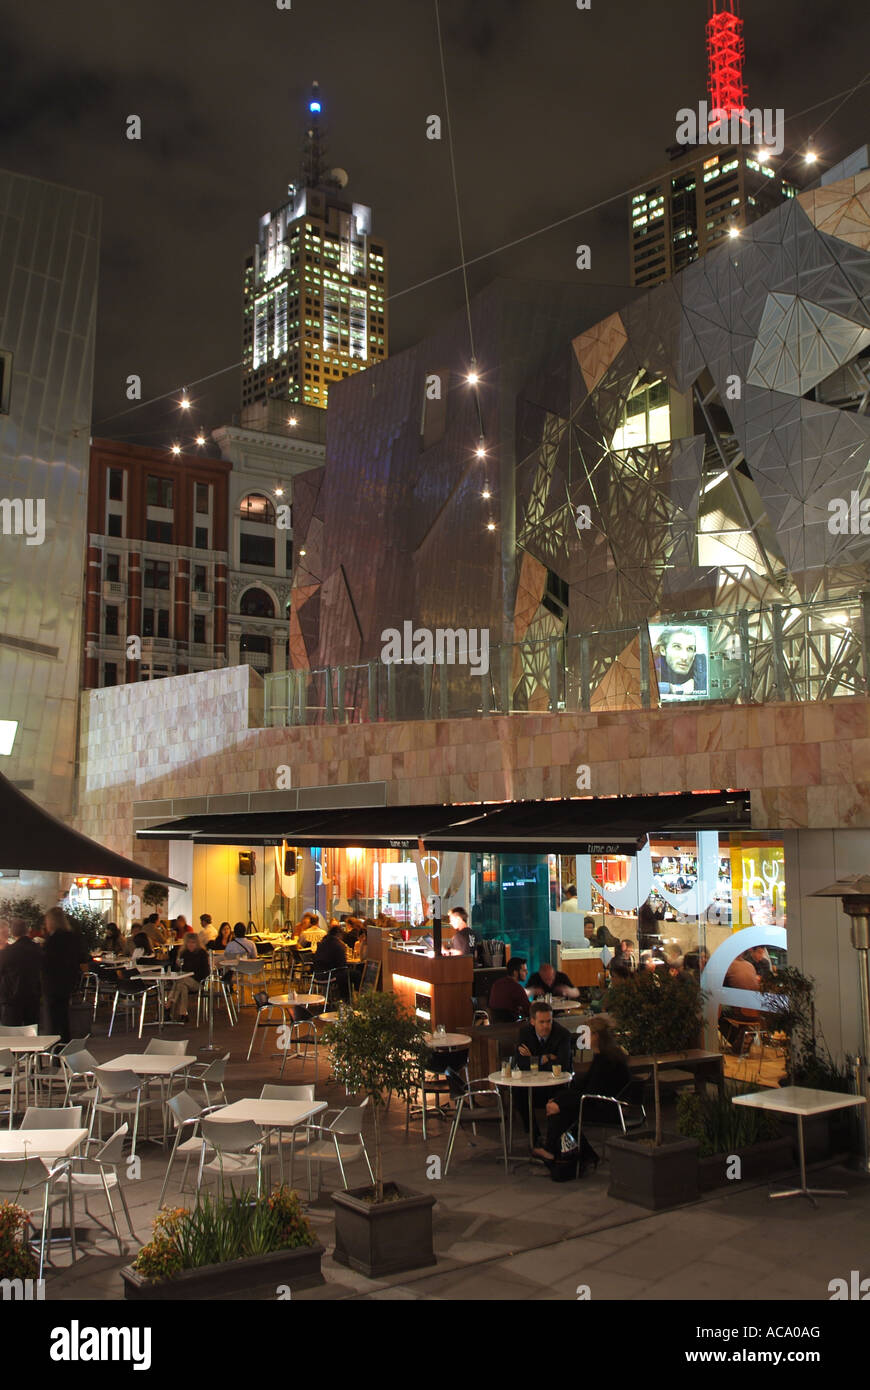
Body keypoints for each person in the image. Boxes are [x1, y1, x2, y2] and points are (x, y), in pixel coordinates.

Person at [533, 1017, 632, 1169]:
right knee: (558, 1106)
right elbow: (585, 1087)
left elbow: (591, 1092)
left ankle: (562, 1152)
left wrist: (560, 1103)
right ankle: (575, 1153)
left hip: (608, 1107)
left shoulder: (606, 1060)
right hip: (605, 1102)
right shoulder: (606, 1055)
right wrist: (559, 1100)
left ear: (596, 1036)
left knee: (561, 1113)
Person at [514, 1002, 575, 1142]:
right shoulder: (524, 1033)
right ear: (532, 1021)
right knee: (518, 1093)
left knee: (560, 1095)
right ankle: (534, 1137)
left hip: (556, 1085)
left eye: (549, 1021)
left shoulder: (562, 1034)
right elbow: (521, 1064)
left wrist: (532, 1060)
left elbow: (562, 1066)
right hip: (533, 1086)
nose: (546, 1026)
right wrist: (546, 1058)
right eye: (541, 1022)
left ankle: (554, 1141)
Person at [41, 906, 90, 1044]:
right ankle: (65, 1046)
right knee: (64, 1018)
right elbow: (82, 957)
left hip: (52, 983)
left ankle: (55, 1049)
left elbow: (46, 962)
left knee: (53, 1020)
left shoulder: (52, 939)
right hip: (68, 982)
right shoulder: (72, 937)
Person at [0, 917, 42, 1025]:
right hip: (33, 995)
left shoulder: (8, 952)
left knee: (11, 1034)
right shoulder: (37, 949)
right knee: (31, 1030)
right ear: (27, 931)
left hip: (11, 998)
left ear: (12, 932)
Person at [167, 933, 210, 1021]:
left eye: (193, 942)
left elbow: (206, 972)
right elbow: (177, 972)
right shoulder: (183, 953)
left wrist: (192, 975)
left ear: (197, 943)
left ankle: (169, 1004)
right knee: (182, 986)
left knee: (181, 980)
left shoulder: (202, 953)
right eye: (189, 942)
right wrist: (178, 965)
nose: (190, 944)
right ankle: (183, 1014)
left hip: (197, 982)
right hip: (183, 981)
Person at [653, 626, 708, 695]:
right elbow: (642, 688)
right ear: (663, 650)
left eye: (690, 648)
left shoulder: (701, 664)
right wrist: (674, 688)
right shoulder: (652, 665)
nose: (684, 657)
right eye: (677, 647)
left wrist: (699, 681)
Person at [312, 923, 349, 999]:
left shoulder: (321, 944)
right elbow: (342, 965)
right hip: (330, 975)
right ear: (339, 935)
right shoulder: (338, 945)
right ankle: (347, 1000)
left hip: (317, 974)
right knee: (354, 975)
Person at [488, 957, 530, 1022]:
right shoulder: (517, 987)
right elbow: (528, 1010)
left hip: (495, 1024)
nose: (527, 973)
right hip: (512, 1025)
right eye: (524, 970)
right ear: (515, 972)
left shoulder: (496, 983)